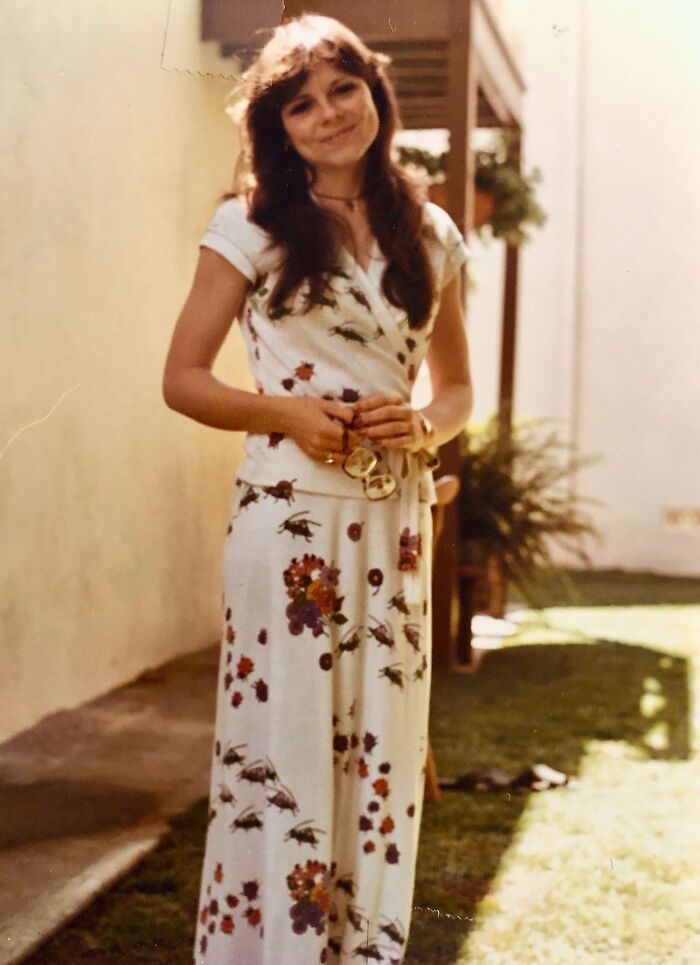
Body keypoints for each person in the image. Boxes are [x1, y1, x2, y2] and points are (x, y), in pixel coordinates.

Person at [162, 13, 473, 964]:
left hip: (395, 526)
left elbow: (458, 390)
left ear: (376, 94)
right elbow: (183, 379)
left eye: (344, 88)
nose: (329, 113)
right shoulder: (248, 225)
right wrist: (285, 414)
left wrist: (425, 425)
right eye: (301, 104)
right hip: (288, 522)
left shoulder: (432, 232)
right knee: (285, 751)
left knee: (380, 757)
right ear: (279, 129)